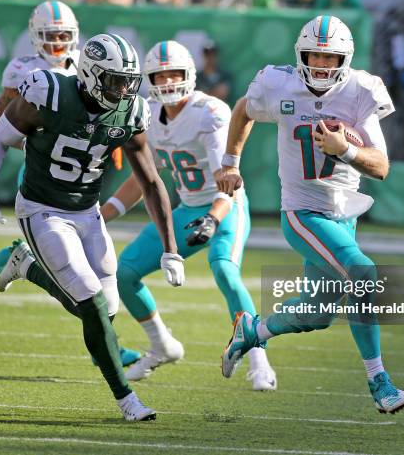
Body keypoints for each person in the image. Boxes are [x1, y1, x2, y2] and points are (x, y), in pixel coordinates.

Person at [0, 33, 184, 421]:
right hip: (42, 209)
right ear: (88, 75)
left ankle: (26, 265)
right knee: (90, 302)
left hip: (88, 213)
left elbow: (151, 181)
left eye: (127, 82)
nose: (122, 90)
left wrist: (171, 247)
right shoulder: (47, 92)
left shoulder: (130, 112)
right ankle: (127, 400)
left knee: (107, 309)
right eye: (113, 80)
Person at [217, 15, 404, 414]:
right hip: (303, 212)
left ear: (346, 58)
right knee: (363, 272)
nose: (321, 65)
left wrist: (346, 150)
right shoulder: (279, 84)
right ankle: (380, 382)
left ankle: (252, 330)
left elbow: (380, 166)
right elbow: (243, 110)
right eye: (314, 56)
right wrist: (230, 162)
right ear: (301, 54)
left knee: (319, 311)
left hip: (344, 214)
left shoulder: (361, 90)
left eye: (330, 57)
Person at [0, 0, 140, 367]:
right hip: (42, 168)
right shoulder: (25, 71)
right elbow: (0, 124)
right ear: (35, 37)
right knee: (69, 268)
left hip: (80, 173)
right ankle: (106, 343)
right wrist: (39, 140)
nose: (59, 42)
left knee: (86, 268)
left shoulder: (90, 63)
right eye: (51, 35)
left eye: (65, 35)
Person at [99, 40, 277, 390]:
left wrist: (213, 218)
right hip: (187, 208)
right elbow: (142, 181)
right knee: (126, 273)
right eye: (160, 75)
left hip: (225, 204)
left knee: (224, 268)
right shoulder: (146, 113)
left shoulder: (209, 112)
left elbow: (228, 180)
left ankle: (258, 357)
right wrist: (101, 216)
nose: (166, 82)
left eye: (174, 74)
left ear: (189, 75)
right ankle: (162, 345)